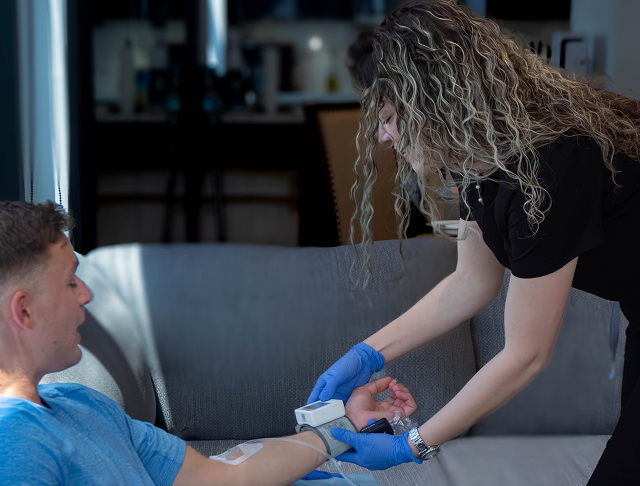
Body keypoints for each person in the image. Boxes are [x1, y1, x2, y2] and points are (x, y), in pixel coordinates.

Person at [308, 0, 640, 484]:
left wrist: (412, 445)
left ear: (432, 102)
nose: (382, 137)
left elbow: (526, 355)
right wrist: (365, 354)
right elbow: (471, 281)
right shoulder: (482, 157)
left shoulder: (548, 167)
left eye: (388, 116)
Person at [0, 200, 421, 485]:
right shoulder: (15, 444)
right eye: (71, 281)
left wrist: (345, 426)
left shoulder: (84, 406)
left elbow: (218, 476)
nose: (86, 294)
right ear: (23, 311)